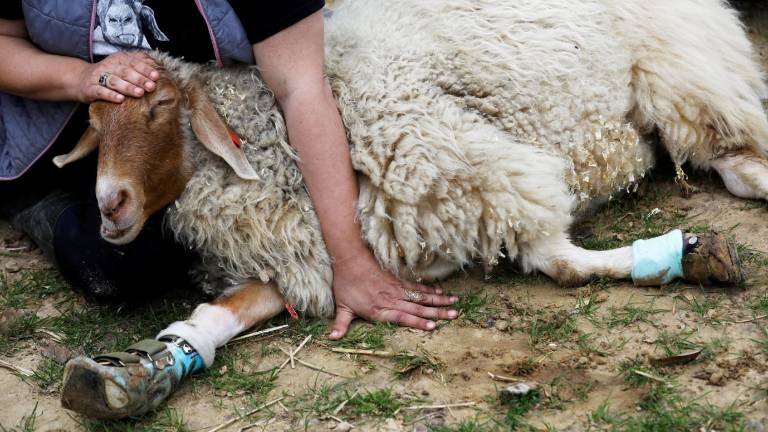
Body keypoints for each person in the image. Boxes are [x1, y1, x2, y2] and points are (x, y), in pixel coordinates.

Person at [0, 0, 458, 417]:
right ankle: (28, 196)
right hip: (50, 116)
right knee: (99, 257)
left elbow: (301, 87)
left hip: (194, 129)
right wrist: (77, 78)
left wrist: (349, 259)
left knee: (138, 263)